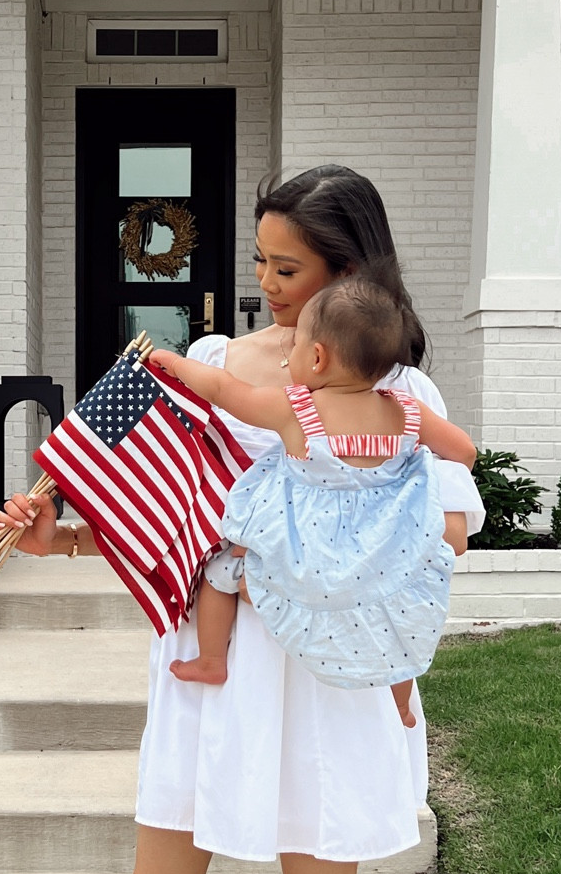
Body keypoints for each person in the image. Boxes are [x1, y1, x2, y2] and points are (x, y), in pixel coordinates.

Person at [0, 165, 484, 874]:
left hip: (325, 682)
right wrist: (57, 537)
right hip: (207, 669)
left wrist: (293, 562)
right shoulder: (210, 370)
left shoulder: (403, 397)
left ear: (348, 270)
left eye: (287, 266)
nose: (262, 284)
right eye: (258, 260)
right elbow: (161, 516)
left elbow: (444, 540)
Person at [155, 274, 476, 704]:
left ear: (318, 357)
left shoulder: (298, 410)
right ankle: (399, 699)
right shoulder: (406, 410)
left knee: (219, 574)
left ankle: (211, 659)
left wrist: (172, 363)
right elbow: (464, 452)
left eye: (299, 347)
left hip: (306, 551)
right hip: (381, 549)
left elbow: (225, 389)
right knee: (396, 607)